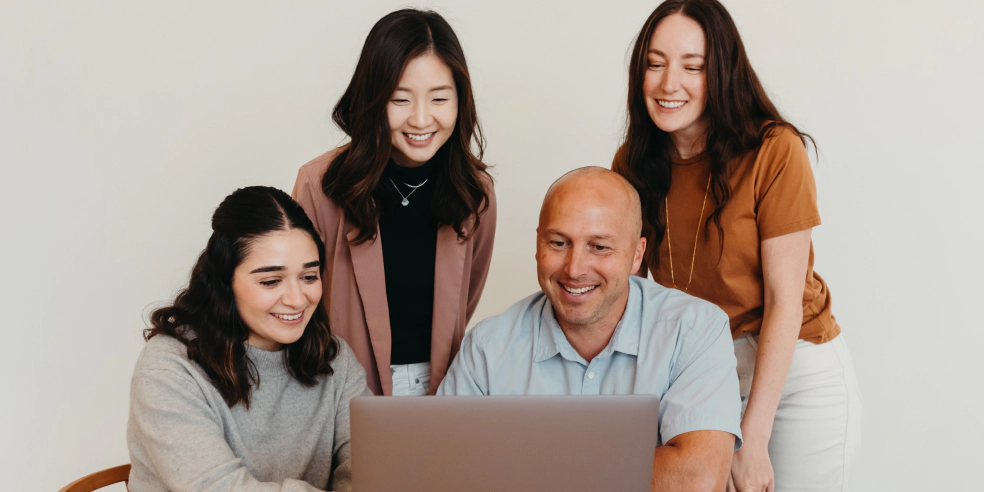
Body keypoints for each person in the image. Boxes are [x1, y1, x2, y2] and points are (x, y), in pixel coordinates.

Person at [611, 1, 862, 491]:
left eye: (693, 66)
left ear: (721, 71)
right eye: (655, 63)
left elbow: (786, 302)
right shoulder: (634, 162)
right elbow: (628, 295)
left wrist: (754, 436)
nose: (668, 83)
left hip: (792, 370)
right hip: (702, 367)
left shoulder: (774, 150)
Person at [438, 167, 741, 491]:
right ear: (538, 243)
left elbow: (695, 479)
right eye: (558, 243)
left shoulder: (694, 331)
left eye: (599, 247)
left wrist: (527, 468)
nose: (575, 268)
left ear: (637, 254)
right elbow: (445, 473)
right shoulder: (486, 349)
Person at [293, 9, 496, 396]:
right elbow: (301, 298)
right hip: (338, 383)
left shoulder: (475, 189)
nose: (421, 119)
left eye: (439, 98)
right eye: (400, 100)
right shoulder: (319, 185)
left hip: (444, 383)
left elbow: (467, 291)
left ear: (460, 100)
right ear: (373, 99)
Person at [127, 186, 369, 492]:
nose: (297, 300)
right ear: (224, 284)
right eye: (270, 281)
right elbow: (218, 488)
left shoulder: (335, 358)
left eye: (309, 277)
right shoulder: (169, 368)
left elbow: (368, 465)